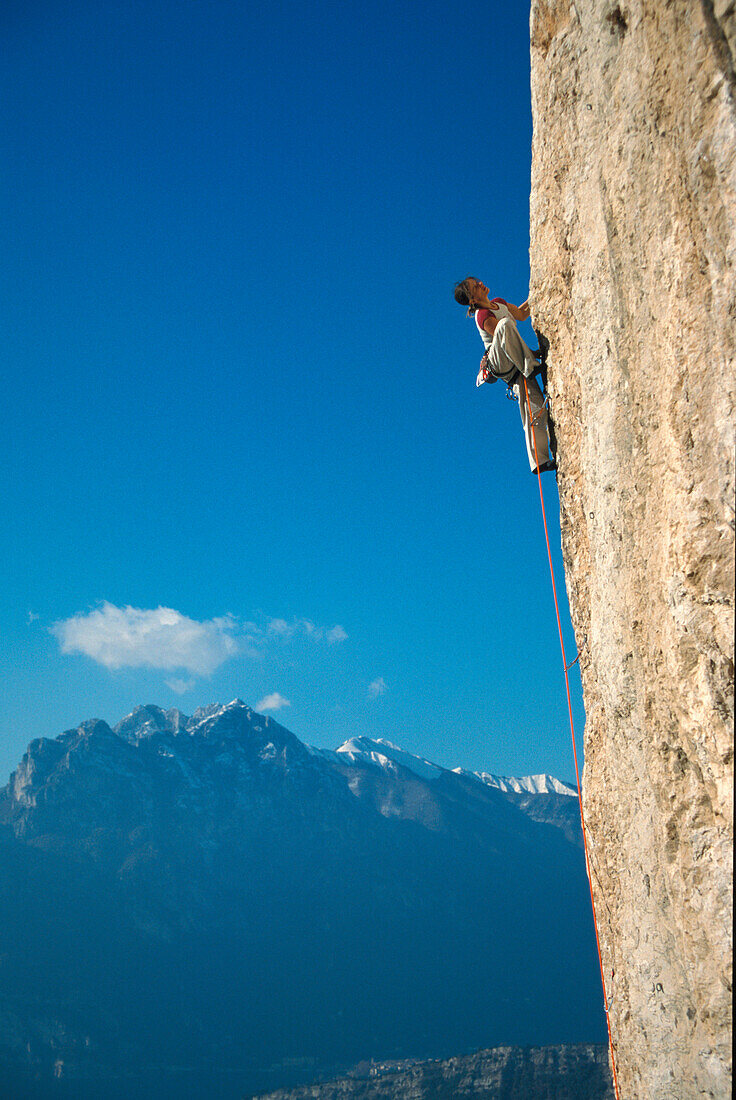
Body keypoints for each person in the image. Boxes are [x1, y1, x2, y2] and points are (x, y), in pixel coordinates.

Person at [453, 276, 556, 474]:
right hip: (502, 361)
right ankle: (531, 364)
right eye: (476, 286)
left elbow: (522, 314)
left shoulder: (499, 303)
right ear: (472, 299)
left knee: (533, 406)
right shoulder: (482, 315)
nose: (482, 284)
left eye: (479, 282)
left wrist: (538, 293)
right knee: (504, 325)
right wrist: (533, 356)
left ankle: (539, 461)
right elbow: (500, 337)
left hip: (518, 361)